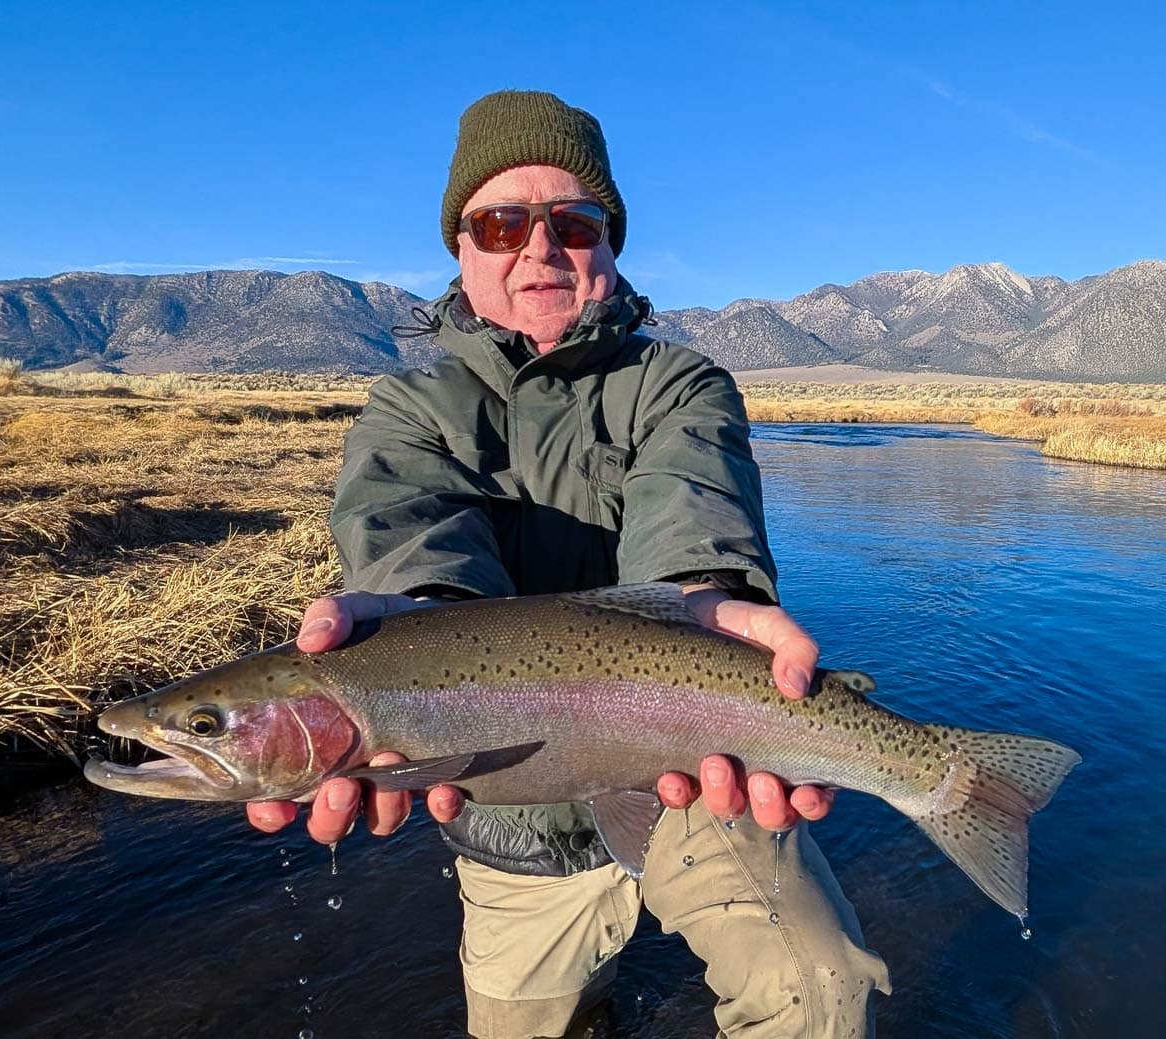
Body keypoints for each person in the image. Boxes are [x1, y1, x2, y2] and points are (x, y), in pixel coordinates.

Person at [248, 90, 889, 1038]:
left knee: (823, 990)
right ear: (460, 248)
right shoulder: (407, 407)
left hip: (700, 761)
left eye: (574, 221)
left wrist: (708, 597)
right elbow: (418, 544)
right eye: (502, 221)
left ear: (611, 243)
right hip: (507, 818)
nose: (539, 249)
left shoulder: (680, 382)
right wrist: (412, 640)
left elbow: (691, 507)